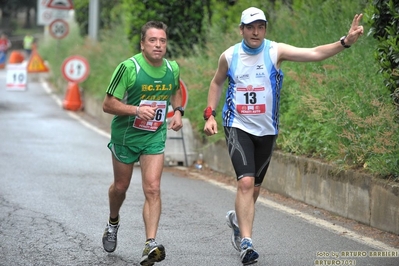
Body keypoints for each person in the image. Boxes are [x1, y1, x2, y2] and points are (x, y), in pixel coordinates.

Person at [203, 7, 363, 265]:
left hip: (267, 130)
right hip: (237, 125)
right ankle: (247, 243)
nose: (256, 32)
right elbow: (216, 82)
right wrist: (209, 114)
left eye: (261, 27)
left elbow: (314, 53)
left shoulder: (275, 51)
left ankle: (237, 220)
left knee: (253, 189)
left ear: (265, 29)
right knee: (245, 182)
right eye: (250, 27)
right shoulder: (230, 55)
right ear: (241, 29)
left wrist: (344, 42)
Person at [102, 21, 184, 266]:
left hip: (153, 136)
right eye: (152, 40)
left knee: (153, 188)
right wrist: (136, 110)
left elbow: (176, 91)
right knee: (120, 187)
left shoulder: (172, 68)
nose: (158, 45)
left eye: (162, 41)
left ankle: (150, 243)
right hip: (126, 136)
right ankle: (113, 222)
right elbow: (108, 105)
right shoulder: (129, 68)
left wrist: (178, 111)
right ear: (142, 43)